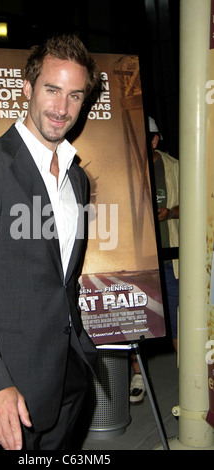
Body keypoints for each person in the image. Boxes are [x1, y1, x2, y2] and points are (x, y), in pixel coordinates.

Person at [0, 34, 100, 451]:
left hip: (67, 384)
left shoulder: (76, 179)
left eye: (75, 95)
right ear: (27, 89)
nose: (62, 108)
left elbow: (60, 277)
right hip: (7, 397)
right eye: (51, 90)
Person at [130, 117, 179, 403]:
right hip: (138, 260)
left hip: (171, 258)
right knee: (137, 319)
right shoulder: (126, 167)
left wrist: (170, 213)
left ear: (155, 140)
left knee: (177, 316)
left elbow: (203, 201)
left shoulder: (175, 168)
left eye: (144, 138)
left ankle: (188, 378)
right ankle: (139, 374)